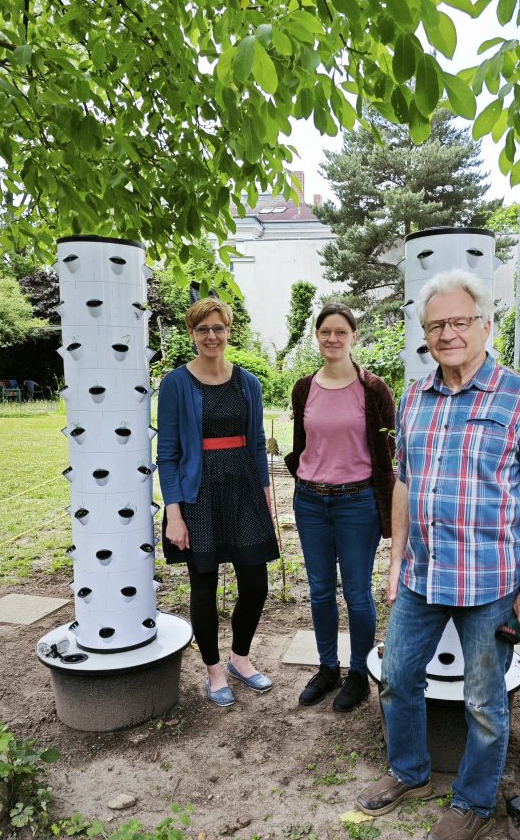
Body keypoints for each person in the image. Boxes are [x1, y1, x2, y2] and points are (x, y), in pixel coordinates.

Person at [356, 269, 520, 840]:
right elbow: (405, 482)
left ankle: (474, 802)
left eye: (459, 321)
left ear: (484, 324)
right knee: (399, 680)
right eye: (436, 325)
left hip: (491, 583)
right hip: (422, 577)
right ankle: (408, 770)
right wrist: (395, 558)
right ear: (424, 335)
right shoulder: (414, 396)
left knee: (485, 702)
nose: (447, 333)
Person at [157, 298, 279, 709]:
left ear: (229, 332)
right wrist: (174, 513)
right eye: (203, 329)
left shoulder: (248, 382)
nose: (212, 336)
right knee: (204, 586)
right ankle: (212, 670)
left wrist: (265, 500)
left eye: (218, 328)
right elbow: (168, 453)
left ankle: (240, 659)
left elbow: (258, 443)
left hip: (243, 489)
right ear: (192, 334)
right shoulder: (176, 383)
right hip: (198, 494)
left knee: (255, 585)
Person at [285, 303, 396, 713]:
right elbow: (302, 443)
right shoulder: (303, 387)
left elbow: (388, 449)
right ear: (317, 337)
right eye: (325, 331)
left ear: (354, 337)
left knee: (357, 593)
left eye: (341, 332)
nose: (332, 338)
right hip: (311, 501)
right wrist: (301, 473)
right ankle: (327, 667)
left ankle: (357, 675)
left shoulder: (373, 389)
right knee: (318, 591)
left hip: (357, 503)